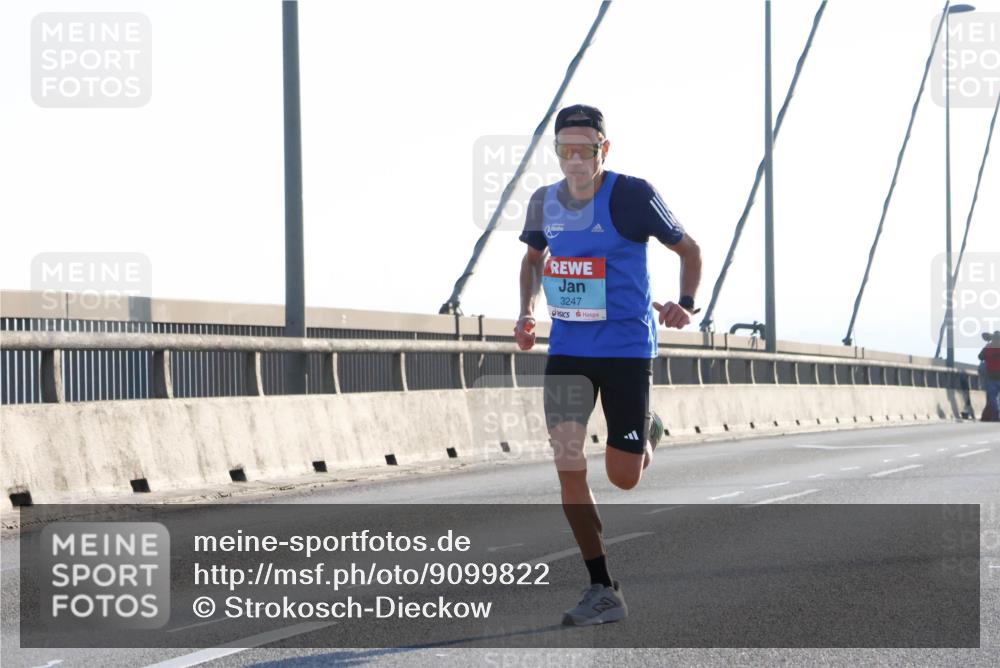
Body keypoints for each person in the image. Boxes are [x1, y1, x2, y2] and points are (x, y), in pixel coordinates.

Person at [513, 104, 702, 626]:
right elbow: (533, 262)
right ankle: (603, 588)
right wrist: (526, 314)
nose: (575, 161)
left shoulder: (632, 195)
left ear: (604, 150)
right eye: (565, 151)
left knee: (623, 478)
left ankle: (647, 432)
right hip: (568, 353)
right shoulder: (543, 202)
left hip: (624, 350)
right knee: (568, 467)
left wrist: (685, 303)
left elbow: (689, 249)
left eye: (585, 150)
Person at [979, 331, 1000, 421]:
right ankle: (996, 414)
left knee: (992, 398)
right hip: (992, 376)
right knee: (993, 398)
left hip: (991, 376)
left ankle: (996, 414)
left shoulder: (988, 347)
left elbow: (980, 357)